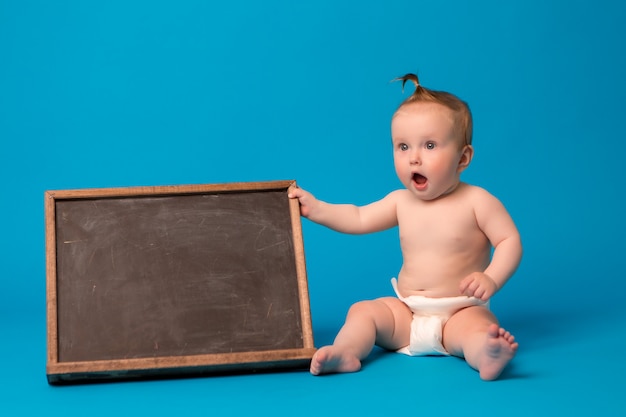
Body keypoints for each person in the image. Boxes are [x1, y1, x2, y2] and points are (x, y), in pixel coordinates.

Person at [288, 73, 522, 380]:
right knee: (364, 311)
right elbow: (358, 218)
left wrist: (491, 278)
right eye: (402, 147)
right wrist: (317, 209)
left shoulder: (477, 201)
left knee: (477, 329)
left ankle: (487, 354)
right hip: (408, 313)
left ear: (462, 158)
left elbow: (509, 240)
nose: (414, 158)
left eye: (429, 145)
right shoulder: (401, 201)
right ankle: (347, 351)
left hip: (459, 311)